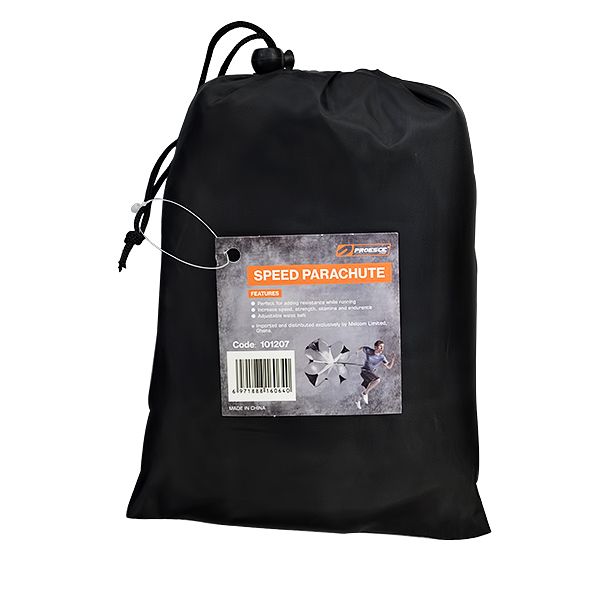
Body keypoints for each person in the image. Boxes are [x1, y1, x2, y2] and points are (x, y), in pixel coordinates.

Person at [356, 340, 395, 409]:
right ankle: (365, 393)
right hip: (364, 371)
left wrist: (392, 359)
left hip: (370, 373)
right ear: (375, 347)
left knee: (365, 387)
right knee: (377, 380)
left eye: (383, 347)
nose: (382, 349)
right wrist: (356, 352)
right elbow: (361, 348)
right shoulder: (368, 350)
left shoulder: (382, 357)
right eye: (380, 347)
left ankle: (357, 400)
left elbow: (389, 367)